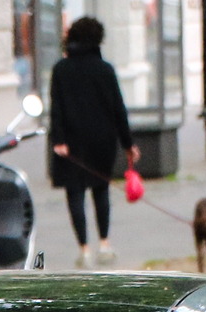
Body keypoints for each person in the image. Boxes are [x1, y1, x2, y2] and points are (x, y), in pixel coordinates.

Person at [48, 16, 136, 270]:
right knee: (101, 189)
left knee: (74, 193)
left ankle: (84, 249)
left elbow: (57, 109)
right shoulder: (105, 69)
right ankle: (105, 244)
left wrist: (59, 140)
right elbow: (118, 109)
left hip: (72, 142)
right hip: (102, 140)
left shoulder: (60, 69)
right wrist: (128, 144)